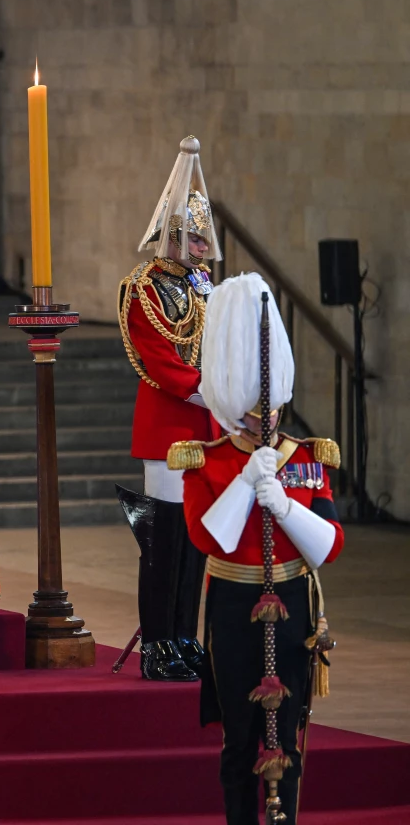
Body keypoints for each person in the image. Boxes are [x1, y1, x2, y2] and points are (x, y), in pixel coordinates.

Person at [175, 273, 343, 825]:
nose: (266, 420)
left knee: (289, 733)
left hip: (293, 602)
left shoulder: (304, 455)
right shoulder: (208, 459)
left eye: (268, 411)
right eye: (254, 411)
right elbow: (208, 538)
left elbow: (328, 546)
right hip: (231, 605)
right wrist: (246, 482)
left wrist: (286, 505)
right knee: (240, 741)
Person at [116, 134, 222, 682]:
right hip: (168, 425)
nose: (203, 248)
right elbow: (159, 358)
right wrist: (212, 388)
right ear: (174, 235)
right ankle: (157, 643)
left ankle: (184, 636)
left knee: (196, 538)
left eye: (205, 240)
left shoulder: (205, 289)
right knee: (164, 538)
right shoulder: (145, 289)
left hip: (205, 427)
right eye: (196, 238)